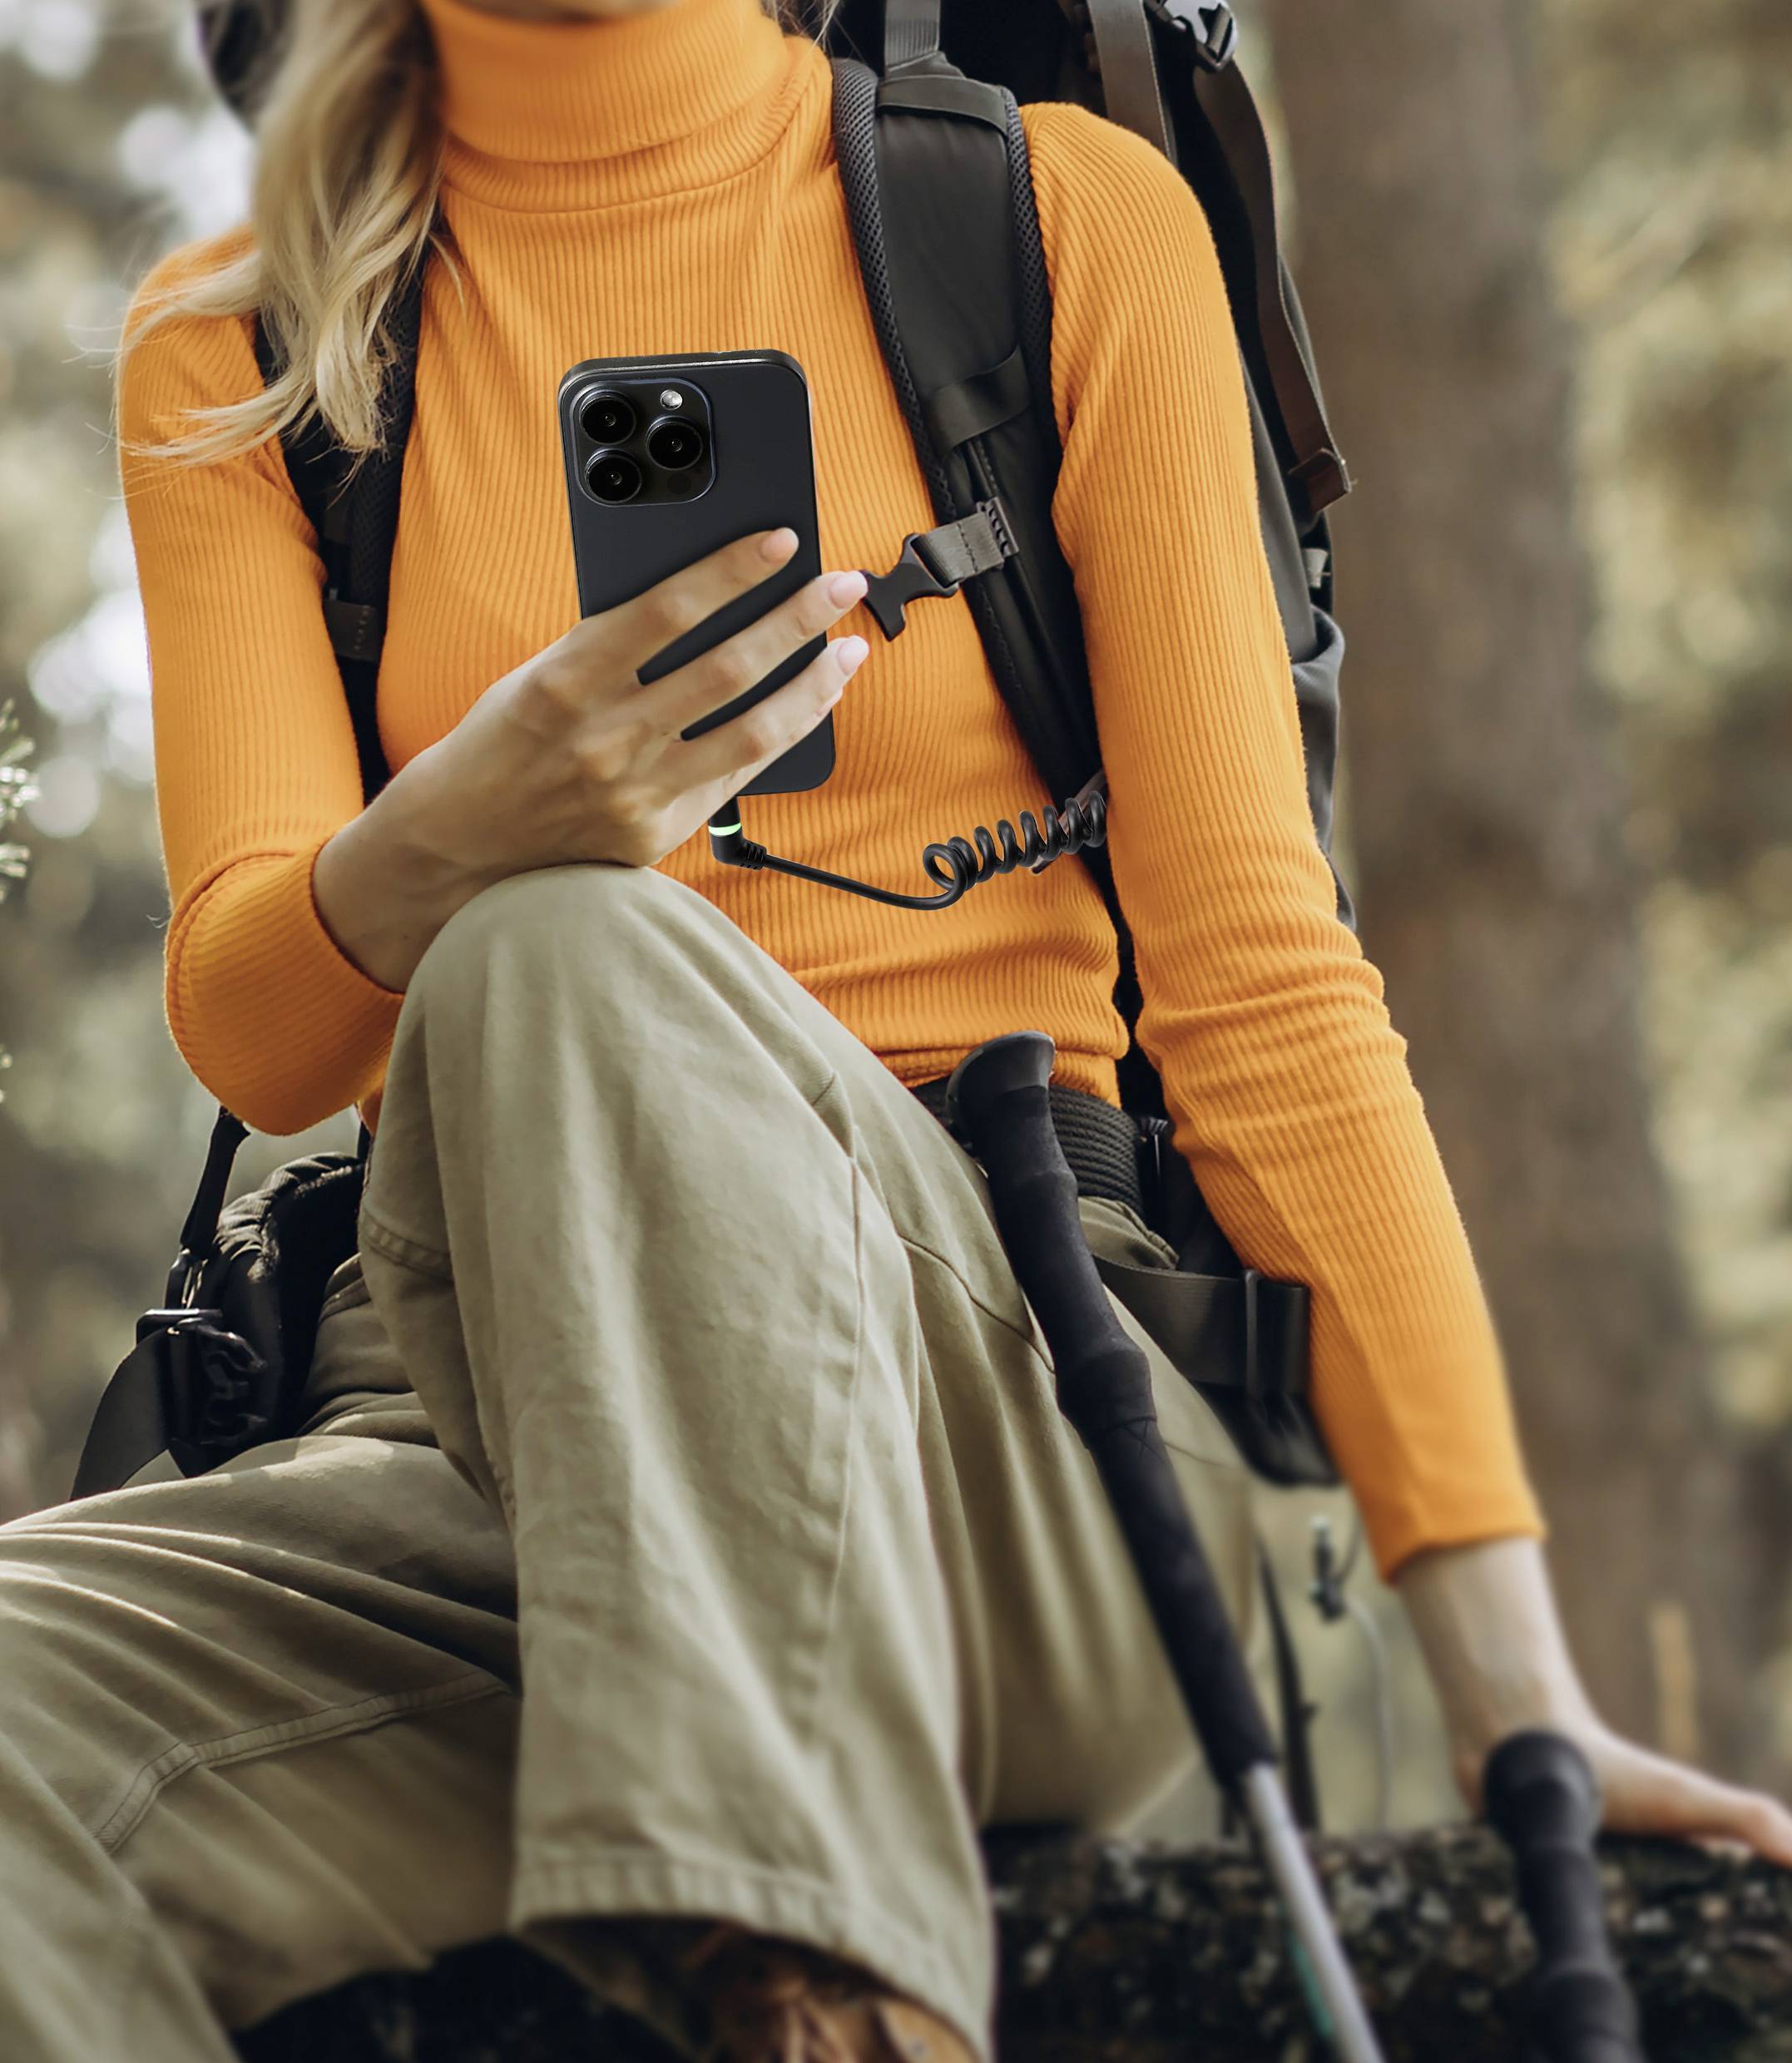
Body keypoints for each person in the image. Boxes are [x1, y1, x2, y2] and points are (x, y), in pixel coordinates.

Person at [3, 0, 1789, 2057]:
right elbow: (256, 1030)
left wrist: (1518, 1693)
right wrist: (441, 840)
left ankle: (835, 2003)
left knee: (553, 955)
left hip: (1010, 1403)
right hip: (466, 1441)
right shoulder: (237, 337)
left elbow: (1265, 989)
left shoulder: (1045, 222)